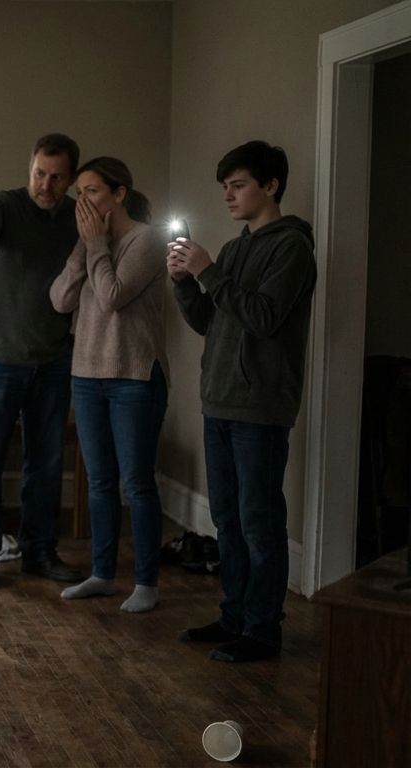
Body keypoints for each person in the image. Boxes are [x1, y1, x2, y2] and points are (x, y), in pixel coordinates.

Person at [168, 141, 316, 662]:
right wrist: (185, 284)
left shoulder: (292, 247)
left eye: (238, 185)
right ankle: (234, 617)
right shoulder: (233, 250)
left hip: (260, 409)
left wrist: (209, 272)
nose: (228, 196)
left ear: (269, 186)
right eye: (225, 187)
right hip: (220, 401)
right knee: (226, 521)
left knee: (259, 523)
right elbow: (213, 323)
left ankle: (262, 630)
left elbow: (264, 317)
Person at [0, 134, 85, 589]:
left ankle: (39, 552)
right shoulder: (5, 205)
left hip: (53, 360)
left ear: (69, 179)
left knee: (46, 463)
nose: (45, 185)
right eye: (38, 174)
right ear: (28, 168)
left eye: (55, 177)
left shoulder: (77, 218)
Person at [48, 157, 169, 612]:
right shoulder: (89, 242)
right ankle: (101, 574)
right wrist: (84, 249)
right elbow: (61, 299)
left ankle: (146, 584)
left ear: (119, 194)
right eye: (80, 193)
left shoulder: (148, 239)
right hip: (87, 373)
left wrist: (95, 245)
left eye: (93, 191)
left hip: (134, 376)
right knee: (98, 482)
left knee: (136, 483)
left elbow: (113, 296)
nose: (84, 201)